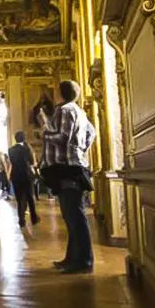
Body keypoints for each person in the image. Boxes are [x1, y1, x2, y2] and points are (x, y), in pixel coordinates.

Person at [42, 81, 97, 274]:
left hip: (67, 168)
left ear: (61, 93)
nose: (53, 93)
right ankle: (72, 257)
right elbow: (92, 133)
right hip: (73, 166)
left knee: (74, 216)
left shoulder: (65, 110)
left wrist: (45, 133)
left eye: (55, 90)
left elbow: (63, 137)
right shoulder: (79, 111)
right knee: (72, 215)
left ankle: (83, 261)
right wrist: (81, 150)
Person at [7, 131, 40, 229]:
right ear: (24, 138)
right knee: (30, 197)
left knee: (19, 199)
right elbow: (33, 163)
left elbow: (11, 163)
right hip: (27, 175)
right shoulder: (27, 149)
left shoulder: (10, 150)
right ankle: (34, 218)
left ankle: (21, 220)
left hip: (16, 175)